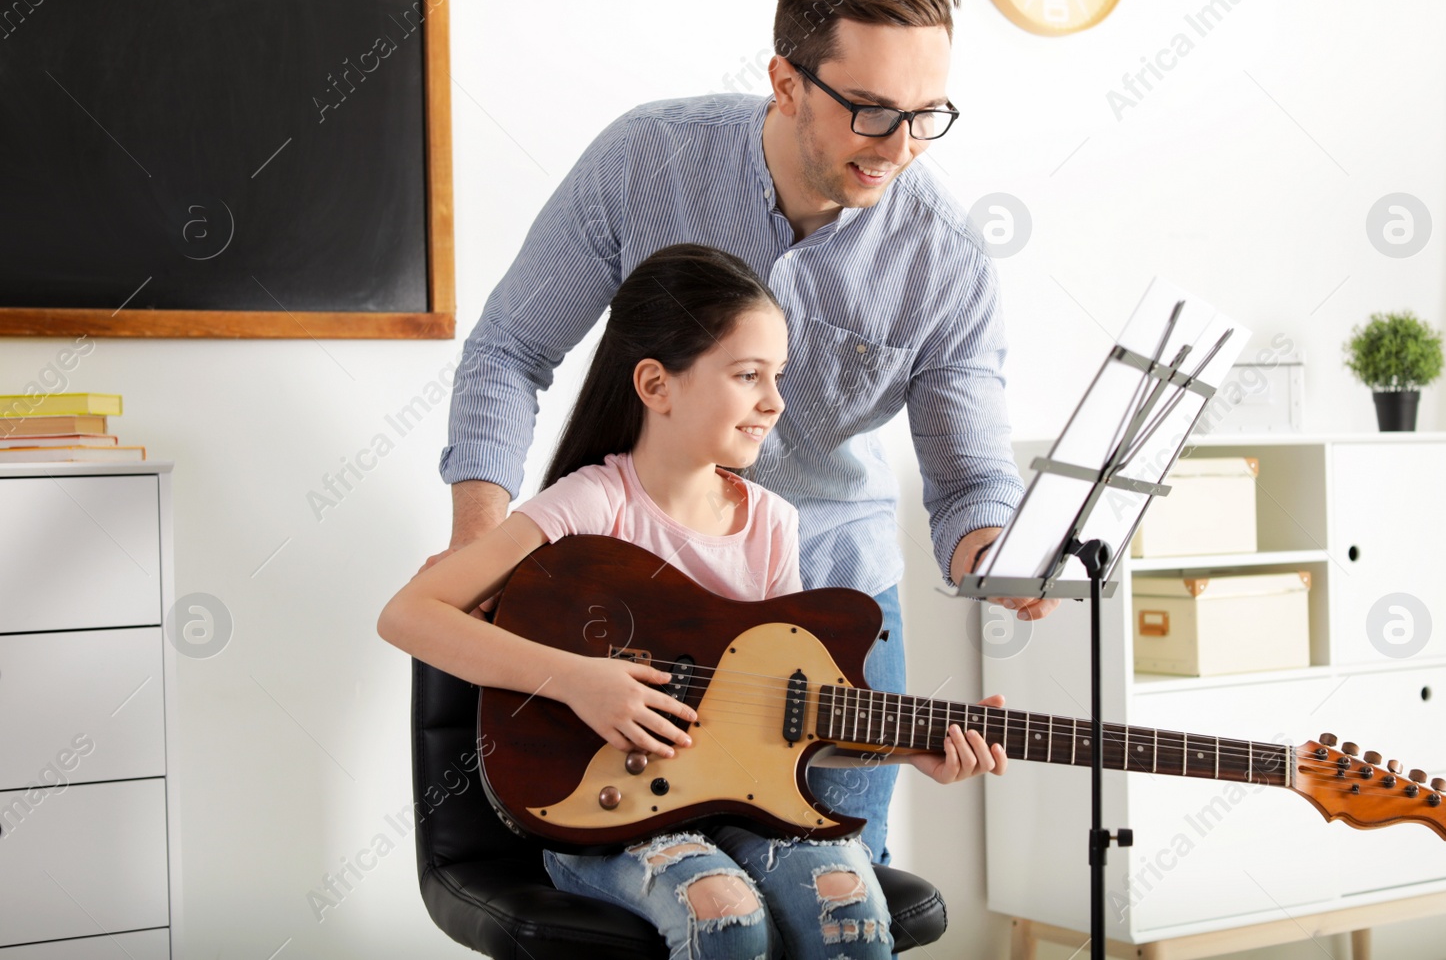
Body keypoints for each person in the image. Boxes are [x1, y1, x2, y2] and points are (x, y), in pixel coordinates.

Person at [435, 0, 1057, 866]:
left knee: (840, 894)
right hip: (630, 602)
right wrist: (481, 551)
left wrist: (999, 559)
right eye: (872, 110)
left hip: (833, 603)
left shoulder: (945, 259)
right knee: (667, 895)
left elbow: (969, 479)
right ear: (787, 80)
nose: (900, 149)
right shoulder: (647, 160)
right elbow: (509, 349)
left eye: (928, 116)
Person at [381, 245, 1007, 960]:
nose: (774, 402)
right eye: (748, 376)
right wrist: (580, 680)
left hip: (737, 810)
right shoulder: (591, 502)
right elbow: (408, 614)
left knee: (850, 906)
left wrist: (917, 746)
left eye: (777, 376)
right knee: (724, 910)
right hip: (606, 818)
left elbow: (777, 722)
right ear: (656, 383)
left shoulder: (774, 521)